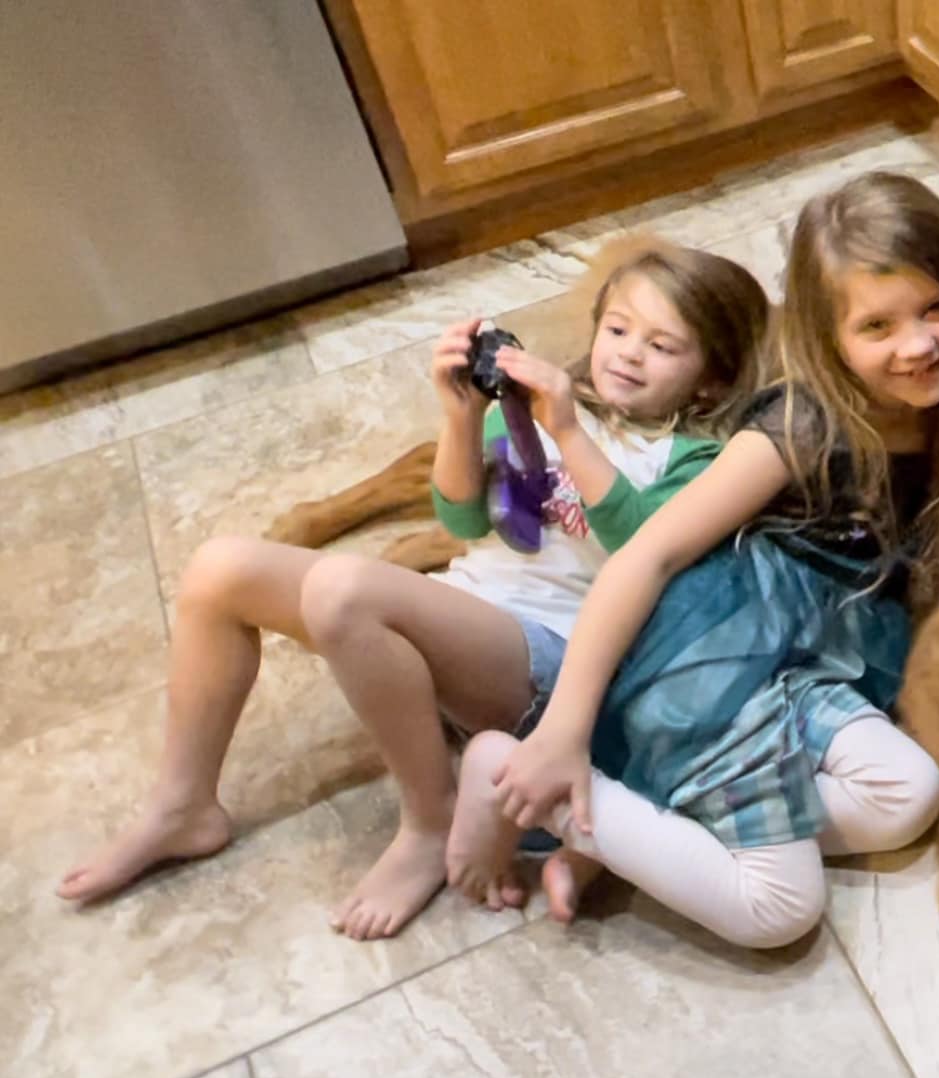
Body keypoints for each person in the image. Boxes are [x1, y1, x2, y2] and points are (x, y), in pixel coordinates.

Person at [56, 236, 768, 941]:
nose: (627, 353)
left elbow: (639, 546)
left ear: (710, 379)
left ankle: (429, 820)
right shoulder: (530, 409)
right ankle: (185, 805)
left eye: (662, 346)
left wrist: (569, 432)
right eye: (617, 329)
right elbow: (460, 516)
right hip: (466, 616)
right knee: (219, 569)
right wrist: (461, 415)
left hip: (550, 666)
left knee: (343, 589)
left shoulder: (695, 460)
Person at [451, 172, 939, 948]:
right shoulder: (800, 425)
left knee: (910, 794)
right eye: (877, 326)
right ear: (827, 339)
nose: (917, 344)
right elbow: (646, 554)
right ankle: (515, 776)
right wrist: (564, 730)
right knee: (779, 910)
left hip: (815, 660)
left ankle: (635, 837)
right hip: (716, 659)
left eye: (936, 308)